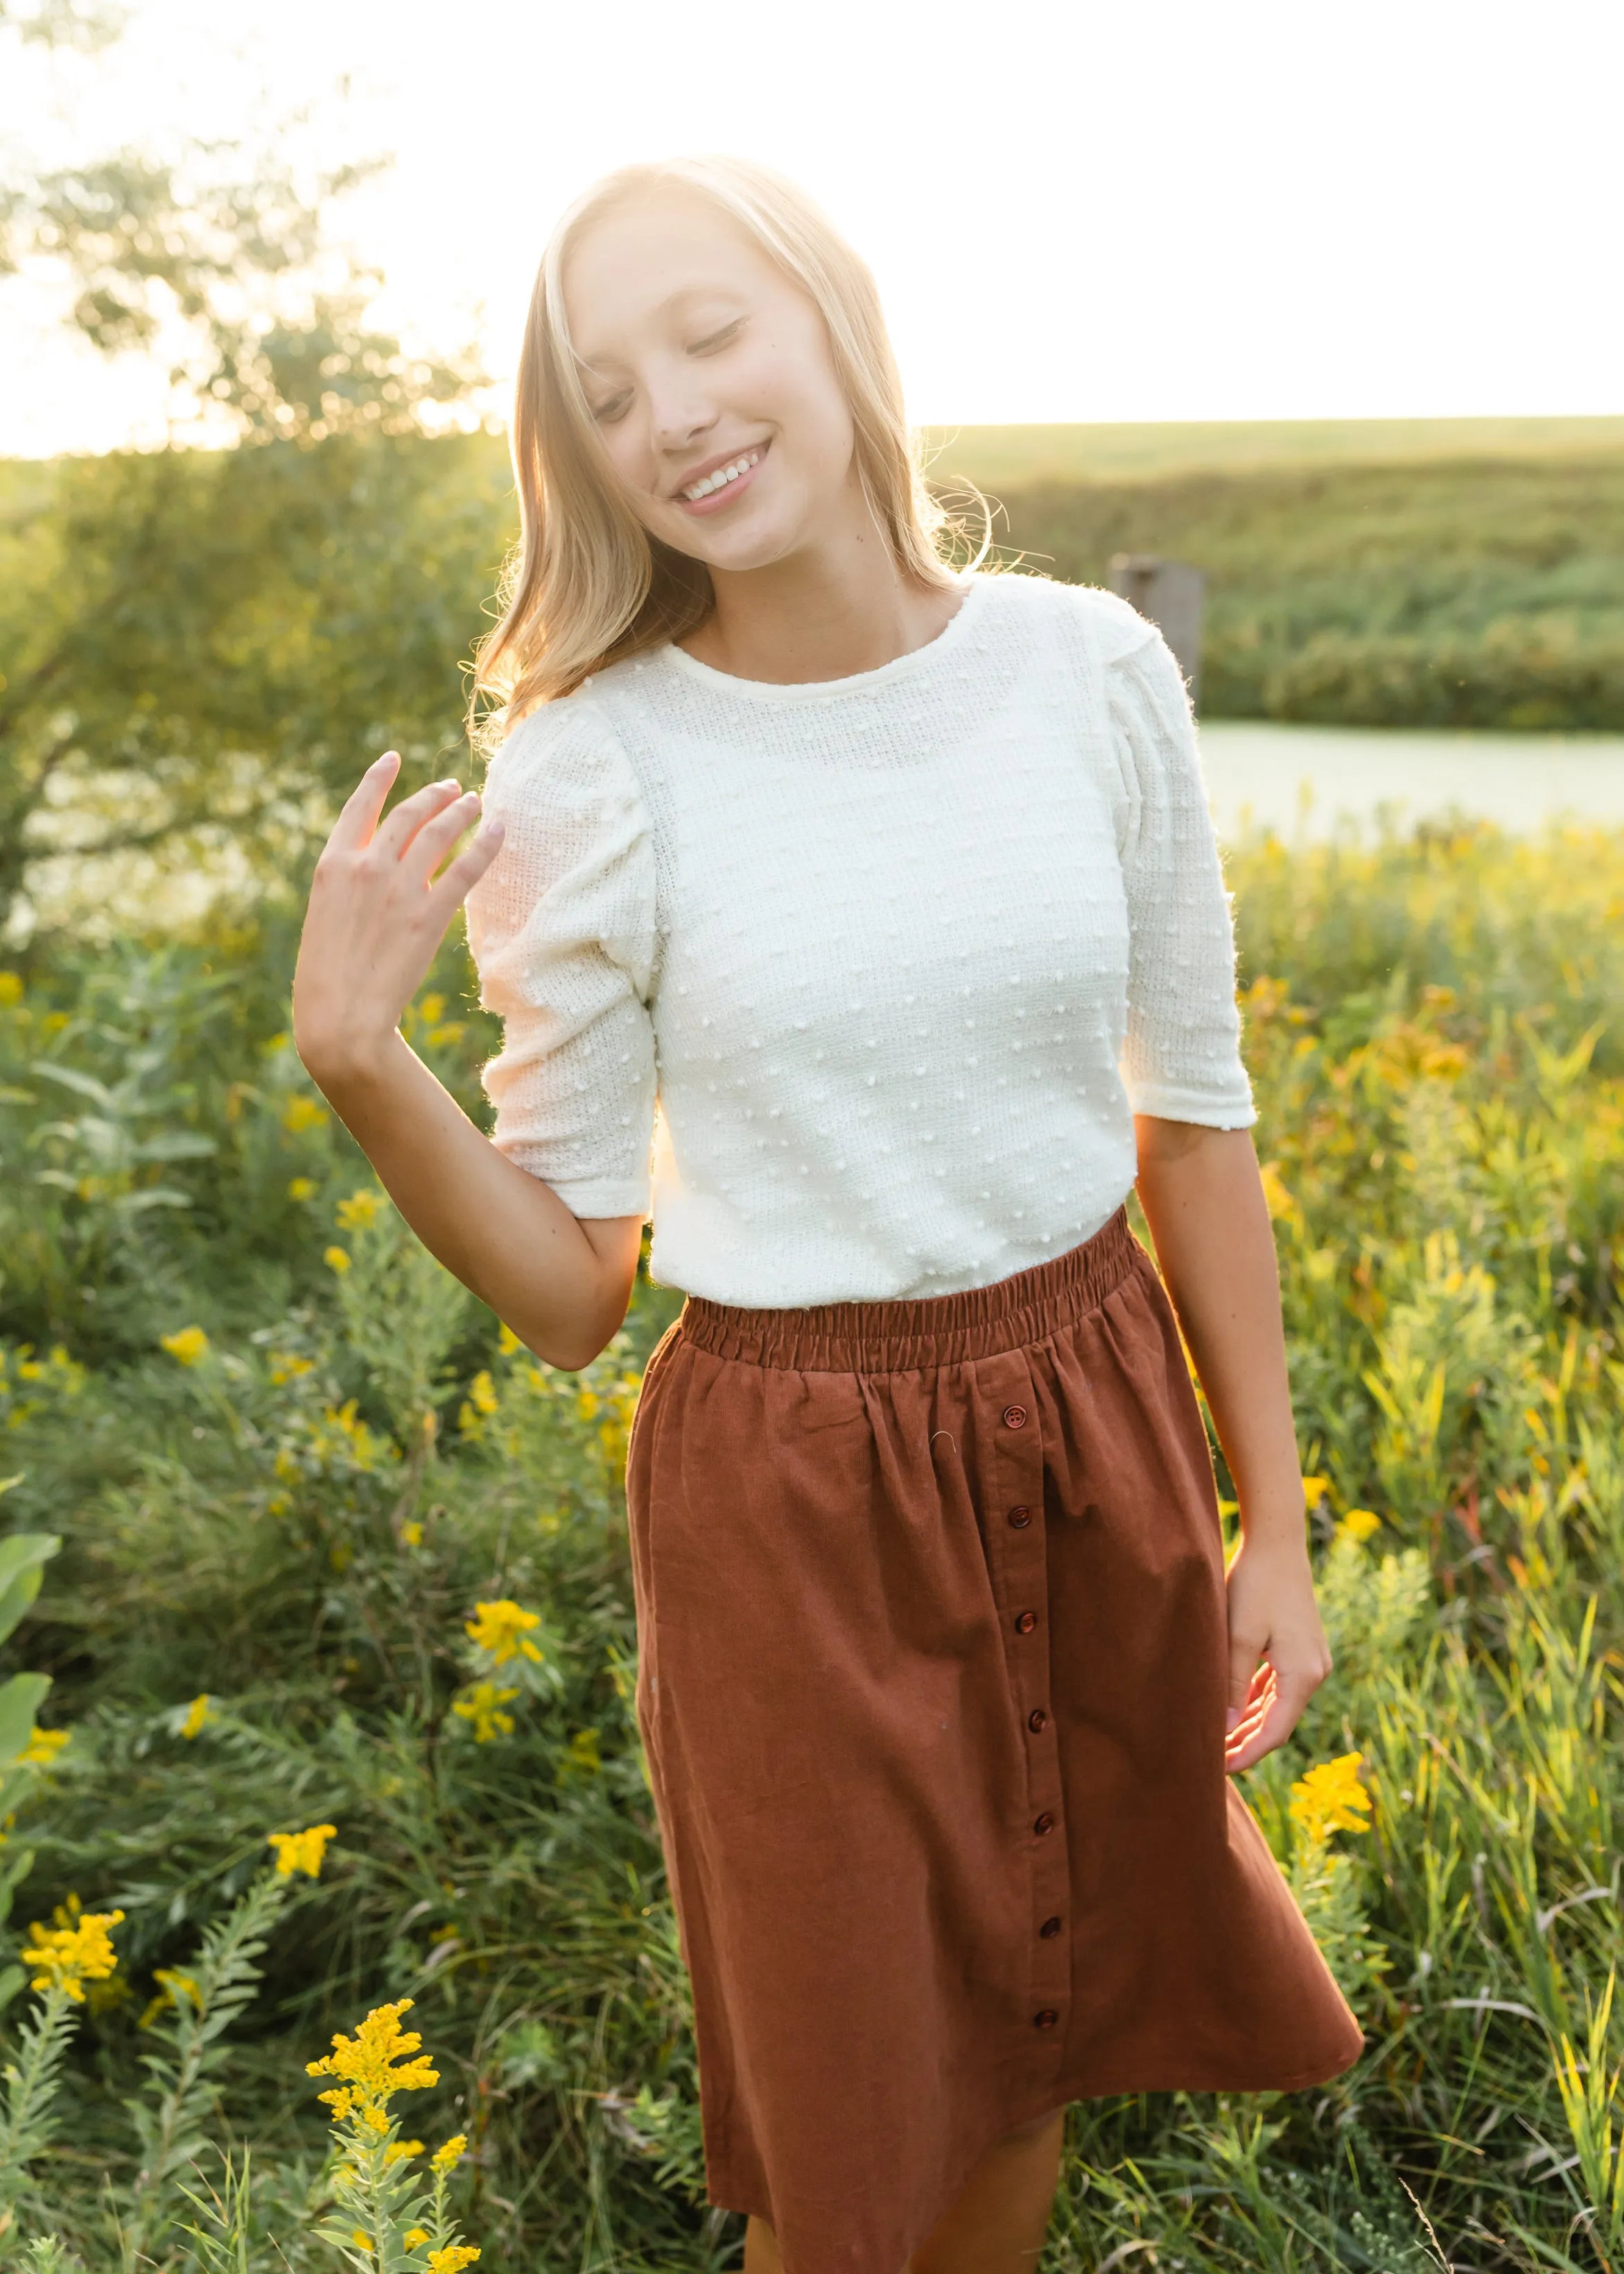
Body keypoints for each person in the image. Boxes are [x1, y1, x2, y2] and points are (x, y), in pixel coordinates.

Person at [292, 154, 1363, 2274]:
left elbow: (1197, 1123)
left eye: (711, 334)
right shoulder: (595, 774)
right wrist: (364, 1064)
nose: (670, 413)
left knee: (1025, 2061)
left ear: (834, 326)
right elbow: (573, 1293)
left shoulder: (1087, 673)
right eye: (605, 390)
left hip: (1094, 1414)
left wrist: (1278, 1526)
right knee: (857, 2149)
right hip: (792, 1500)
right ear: (574, 451)